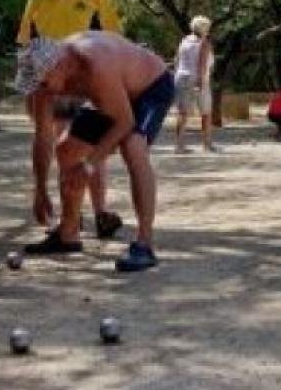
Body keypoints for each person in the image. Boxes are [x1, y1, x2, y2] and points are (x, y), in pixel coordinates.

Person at [14, 33, 175, 272]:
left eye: (44, 84)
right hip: (114, 94)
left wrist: (89, 166)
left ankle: (144, 244)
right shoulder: (44, 81)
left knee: (133, 146)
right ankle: (68, 233)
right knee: (67, 150)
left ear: (59, 66)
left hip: (150, 87)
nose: (41, 91)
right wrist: (40, 189)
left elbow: (124, 122)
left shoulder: (95, 65)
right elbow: (43, 136)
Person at [16, 0, 124, 238]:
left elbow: (114, 37)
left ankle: (100, 212)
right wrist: (30, 94)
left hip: (90, 84)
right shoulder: (35, 2)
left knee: (88, 146)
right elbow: (26, 49)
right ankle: (71, 218)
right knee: (62, 148)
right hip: (52, 87)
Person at [173, 15, 217, 153]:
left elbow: (177, 60)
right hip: (198, 78)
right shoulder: (204, 43)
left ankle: (179, 145)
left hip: (181, 77)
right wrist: (200, 82)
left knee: (183, 112)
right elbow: (202, 64)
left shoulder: (184, 41)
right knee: (206, 112)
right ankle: (207, 144)